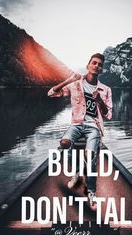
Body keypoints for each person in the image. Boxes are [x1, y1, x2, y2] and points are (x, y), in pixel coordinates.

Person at [48, 53, 112, 211]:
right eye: (94, 63)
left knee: (90, 156)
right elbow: (51, 93)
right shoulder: (76, 84)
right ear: (88, 65)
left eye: (100, 65)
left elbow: (108, 115)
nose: (97, 66)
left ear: (102, 69)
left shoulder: (105, 89)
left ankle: (91, 191)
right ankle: (77, 169)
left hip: (94, 127)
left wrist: (99, 101)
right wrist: (69, 79)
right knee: (63, 145)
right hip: (76, 124)